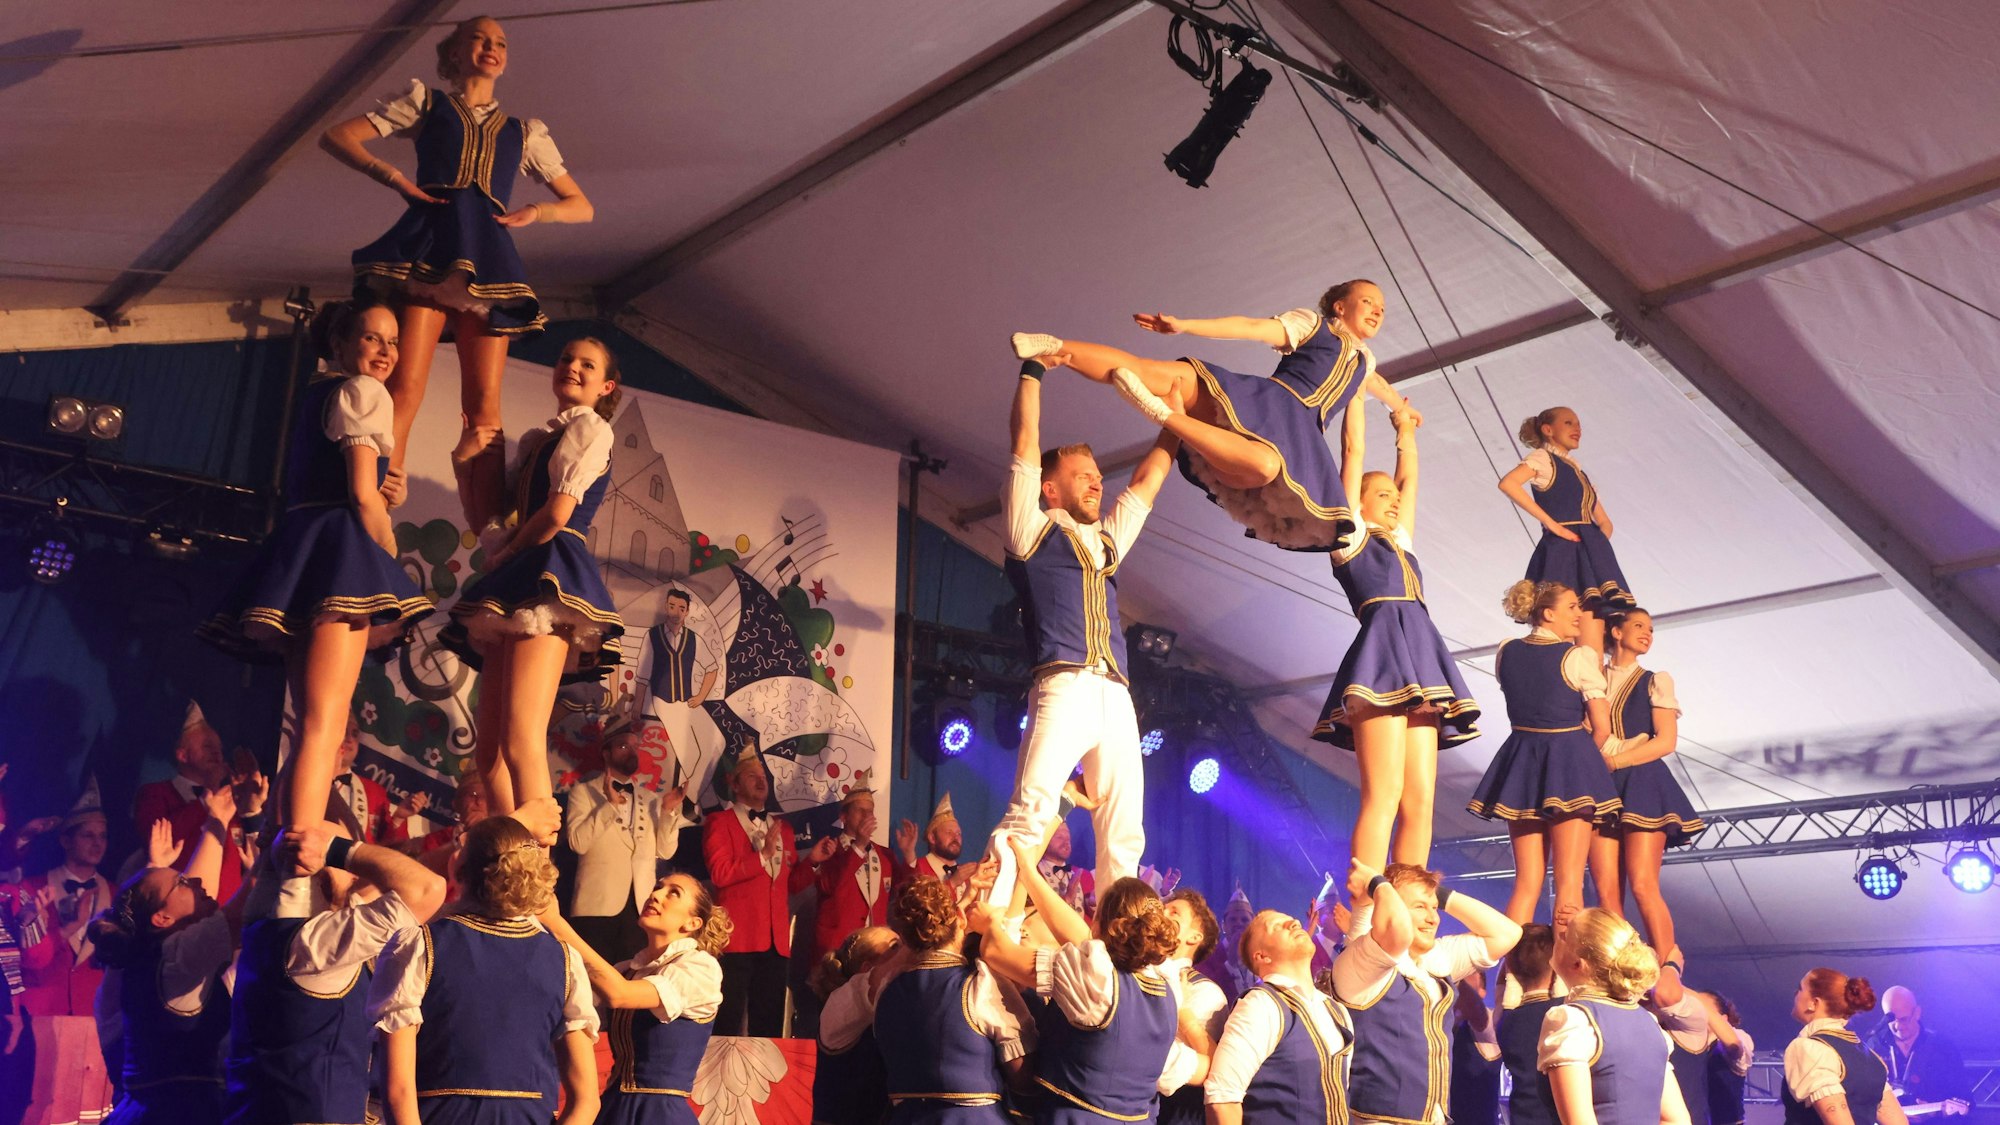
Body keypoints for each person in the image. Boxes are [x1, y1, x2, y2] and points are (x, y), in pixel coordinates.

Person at [320, 14, 594, 529]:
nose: (492, 48)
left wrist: (536, 213)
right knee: (407, 384)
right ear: (454, 53)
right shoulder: (428, 104)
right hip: (431, 245)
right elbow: (338, 137)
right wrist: (396, 178)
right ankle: (381, 489)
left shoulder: (522, 131)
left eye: (500, 43)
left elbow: (582, 205)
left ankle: (487, 524)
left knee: (485, 405)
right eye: (480, 39)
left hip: (489, 258)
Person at [198, 298, 432, 834]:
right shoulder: (366, 392)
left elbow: (354, 482)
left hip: (304, 547)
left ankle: (282, 844)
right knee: (324, 727)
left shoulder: (318, 394)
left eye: (394, 341)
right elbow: (358, 493)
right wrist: (385, 549)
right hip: (340, 552)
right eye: (373, 338)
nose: (386, 352)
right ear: (341, 343)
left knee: (311, 728)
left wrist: (379, 491)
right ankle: (299, 853)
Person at [1010, 281, 1416, 550]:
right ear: (1340, 306)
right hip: (1261, 401)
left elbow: (1379, 387)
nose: (1378, 311)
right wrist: (1185, 325)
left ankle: (1169, 417)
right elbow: (1252, 328)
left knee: (1265, 465)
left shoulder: (1365, 363)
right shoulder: (1312, 326)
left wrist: (1401, 411)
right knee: (1150, 370)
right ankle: (1052, 348)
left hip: (1296, 435)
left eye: (1382, 307)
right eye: (1368, 302)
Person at [986, 354, 1178, 905]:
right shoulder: (1031, 531)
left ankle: (1121, 948)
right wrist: (1032, 372)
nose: (1096, 483)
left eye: (1097, 477)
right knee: (1032, 810)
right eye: (1083, 476)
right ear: (1050, 489)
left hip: (1115, 694)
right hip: (1063, 683)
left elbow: (1148, 479)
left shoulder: (1108, 546)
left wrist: (1179, 420)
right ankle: (990, 928)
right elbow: (1024, 444)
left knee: (1124, 831)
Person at [440, 336, 625, 819]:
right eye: (566, 358)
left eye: (588, 364)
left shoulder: (592, 429)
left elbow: (558, 513)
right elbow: (491, 524)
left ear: (605, 385)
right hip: (525, 566)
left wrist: (511, 553)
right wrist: (464, 466)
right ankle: (506, 854)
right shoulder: (536, 440)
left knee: (521, 739)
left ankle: (533, 871)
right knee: (490, 753)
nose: (572, 367)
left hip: (552, 573)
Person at [1315, 402, 1479, 872]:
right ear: (1359, 502)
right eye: (1380, 493)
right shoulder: (1349, 536)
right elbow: (1353, 449)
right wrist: (1358, 388)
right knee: (1383, 794)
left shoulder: (1401, 542)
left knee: (1419, 800)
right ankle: (1366, 904)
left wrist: (1406, 428)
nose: (1392, 499)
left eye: (1392, 495)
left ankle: (1410, 899)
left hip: (1421, 661)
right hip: (1382, 660)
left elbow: (1411, 481)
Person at [370, 813, 599, 1125]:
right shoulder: (564, 959)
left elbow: (398, 1090)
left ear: (460, 867)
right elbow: (586, 1102)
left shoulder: (421, 944)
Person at [223, 821, 446, 1125]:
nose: (356, 871)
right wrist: (335, 848)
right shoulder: (315, 943)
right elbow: (425, 889)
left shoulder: (276, 927)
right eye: (330, 852)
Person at [973, 855, 1189, 1125]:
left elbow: (996, 952)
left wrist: (989, 924)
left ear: (1099, 923)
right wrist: (1028, 873)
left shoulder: (1094, 979)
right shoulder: (1165, 988)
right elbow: (1077, 935)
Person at [89, 784, 246, 1125]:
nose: (195, 883)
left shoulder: (148, 954)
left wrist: (217, 822)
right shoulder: (167, 960)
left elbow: (193, 903)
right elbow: (225, 915)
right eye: (181, 882)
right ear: (159, 918)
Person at [1466, 581, 1621, 924]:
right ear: (1549, 614)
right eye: (1571, 607)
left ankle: (1514, 974)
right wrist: (1583, 763)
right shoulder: (1578, 657)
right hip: (1568, 765)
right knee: (1569, 884)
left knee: (1526, 883)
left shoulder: (1506, 650)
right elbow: (1603, 727)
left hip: (1520, 765)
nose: (1579, 614)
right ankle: (1565, 977)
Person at [1331, 862, 1522, 1125]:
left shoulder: (1434, 960)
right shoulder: (1362, 961)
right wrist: (1378, 884)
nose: (1433, 918)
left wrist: (1437, 895)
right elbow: (1395, 931)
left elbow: (1508, 933)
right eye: (1420, 907)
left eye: (1434, 908)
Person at [1207, 867, 1374, 1125]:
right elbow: (1222, 1099)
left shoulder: (1334, 1009)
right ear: (1262, 956)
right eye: (1276, 926)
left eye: (1290, 919)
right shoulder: (1260, 1005)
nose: (1293, 922)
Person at [563, 874, 730, 1125]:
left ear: (693, 922)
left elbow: (619, 994)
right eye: (657, 887)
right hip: (613, 1109)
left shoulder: (699, 967)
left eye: (674, 893)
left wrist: (557, 924)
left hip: (660, 1114)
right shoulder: (628, 969)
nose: (656, 895)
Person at [1589, 609, 1702, 967]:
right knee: (1606, 892)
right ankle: (1618, 968)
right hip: (1597, 785)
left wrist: (1616, 761)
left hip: (1640, 782)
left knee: (1642, 884)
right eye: (1639, 626)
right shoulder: (1588, 678)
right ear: (1616, 632)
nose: (1647, 634)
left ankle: (1669, 965)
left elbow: (1666, 741)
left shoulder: (1655, 680)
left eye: (1651, 629)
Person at [876, 878, 1035, 1125]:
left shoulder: (887, 989)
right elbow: (1023, 1077)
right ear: (960, 918)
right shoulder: (981, 983)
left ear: (905, 938)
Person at [702, 746, 818, 1037]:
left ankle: (767, 1084)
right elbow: (721, 874)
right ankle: (721, 1081)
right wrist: (762, 855)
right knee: (726, 1024)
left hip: (775, 943)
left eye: (763, 775)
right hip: (735, 939)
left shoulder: (783, 828)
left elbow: (789, 886)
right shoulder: (720, 823)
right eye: (751, 775)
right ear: (734, 783)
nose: (760, 780)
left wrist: (813, 862)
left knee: (767, 1027)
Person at [1497, 408, 1633, 655]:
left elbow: (1605, 522)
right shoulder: (1543, 459)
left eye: (1578, 424)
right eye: (1568, 423)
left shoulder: (1579, 472)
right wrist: (1551, 524)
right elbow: (1508, 483)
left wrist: (1596, 547)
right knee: (1560, 638)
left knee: (1592, 646)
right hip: (1561, 555)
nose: (1577, 428)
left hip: (1587, 558)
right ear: (1548, 430)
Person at [12, 806, 116, 1125]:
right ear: (66, 840)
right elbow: (30, 961)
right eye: (87, 835)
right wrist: (68, 926)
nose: (97, 843)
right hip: (41, 1017)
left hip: (93, 1021)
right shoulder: (32, 887)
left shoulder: (117, 892)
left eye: (103, 836)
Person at [1538, 908, 1688, 1125]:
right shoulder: (1648, 1023)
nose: (1556, 938)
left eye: (1563, 936)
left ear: (1578, 963)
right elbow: (1677, 1120)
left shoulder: (1573, 1021)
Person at [566, 717, 684, 961]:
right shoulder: (584, 792)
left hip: (640, 908)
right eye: (623, 746)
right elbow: (578, 843)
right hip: (596, 907)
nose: (631, 752)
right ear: (606, 753)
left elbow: (665, 851)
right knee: (591, 985)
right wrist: (608, 806)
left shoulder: (651, 799)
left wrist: (668, 812)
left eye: (634, 747)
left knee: (632, 979)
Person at [132, 702, 267, 905]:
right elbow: (159, 842)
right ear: (183, 755)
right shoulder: (156, 793)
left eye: (219, 749)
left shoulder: (231, 802)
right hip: (179, 911)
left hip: (225, 914)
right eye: (207, 747)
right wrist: (206, 801)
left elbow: (248, 853)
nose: (217, 754)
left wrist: (251, 810)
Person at [1785, 970, 1906, 1125]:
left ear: (1814, 1003)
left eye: (1800, 989)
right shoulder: (1869, 1056)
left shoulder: (1809, 1048)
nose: (1796, 994)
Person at [807, 781, 904, 963]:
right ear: (844, 817)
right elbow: (828, 887)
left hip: (875, 949)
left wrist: (909, 855)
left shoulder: (884, 854)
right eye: (861, 811)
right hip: (837, 950)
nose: (867, 816)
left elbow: (902, 891)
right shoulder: (830, 850)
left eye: (870, 811)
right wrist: (858, 846)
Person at [811, 926, 898, 1125]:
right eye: (894, 947)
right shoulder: (841, 1002)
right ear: (867, 969)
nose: (904, 952)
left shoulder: (891, 1006)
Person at [645, 589, 720, 815]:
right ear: (665, 607)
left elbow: (712, 668)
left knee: (717, 743)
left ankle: (691, 798)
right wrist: (636, 710)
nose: (676, 612)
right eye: (671, 606)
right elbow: (641, 677)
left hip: (687, 701)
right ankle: (702, 803)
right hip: (664, 701)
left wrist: (701, 696)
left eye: (681, 608)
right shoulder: (653, 636)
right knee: (689, 755)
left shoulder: (693, 639)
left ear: (687, 611)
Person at [1159, 888, 1228, 1125]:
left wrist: (1180, 1009)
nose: (1162, 913)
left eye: (1174, 913)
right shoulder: (1135, 973)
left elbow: (1213, 1066)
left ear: (1194, 937)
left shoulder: (1206, 992)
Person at [1489, 924, 1562, 1125]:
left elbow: (1503, 984)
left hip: (1523, 1118)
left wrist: (1511, 957)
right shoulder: (1565, 1012)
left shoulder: (1505, 1020)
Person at [1867, 986, 1970, 1116]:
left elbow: (1964, 1097)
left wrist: (1936, 1114)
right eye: (1892, 1020)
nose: (1898, 1026)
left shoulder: (1942, 1046)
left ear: (1917, 1013)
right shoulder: (1874, 1045)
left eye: (1904, 1019)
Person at [330, 716, 425, 845]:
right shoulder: (304, 776)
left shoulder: (375, 793)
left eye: (355, 734)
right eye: (343, 731)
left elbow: (388, 850)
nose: (349, 739)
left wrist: (399, 818)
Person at [1451, 972, 1502, 1125]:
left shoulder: (1490, 1026)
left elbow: (1474, 1007)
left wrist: (1448, 972)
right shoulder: (1441, 1025)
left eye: (1468, 972)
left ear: (1482, 992)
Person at [1699, 992, 1754, 1125]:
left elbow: (1734, 1047)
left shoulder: (1738, 1037)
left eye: (1703, 1008)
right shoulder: (1693, 1045)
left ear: (1723, 1018)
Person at [1199, 886, 1258, 1003]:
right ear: (1223, 926)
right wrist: (1230, 964)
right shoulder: (1208, 956)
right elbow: (1204, 993)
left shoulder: (1262, 955)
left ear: (1253, 925)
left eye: (1244, 920)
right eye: (1233, 920)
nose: (1238, 924)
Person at [897, 794, 965, 885]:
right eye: (949, 832)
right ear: (932, 838)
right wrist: (953, 883)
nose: (955, 837)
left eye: (958, 833)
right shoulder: (919, 868)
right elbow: (914, 894)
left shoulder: (966, 874)